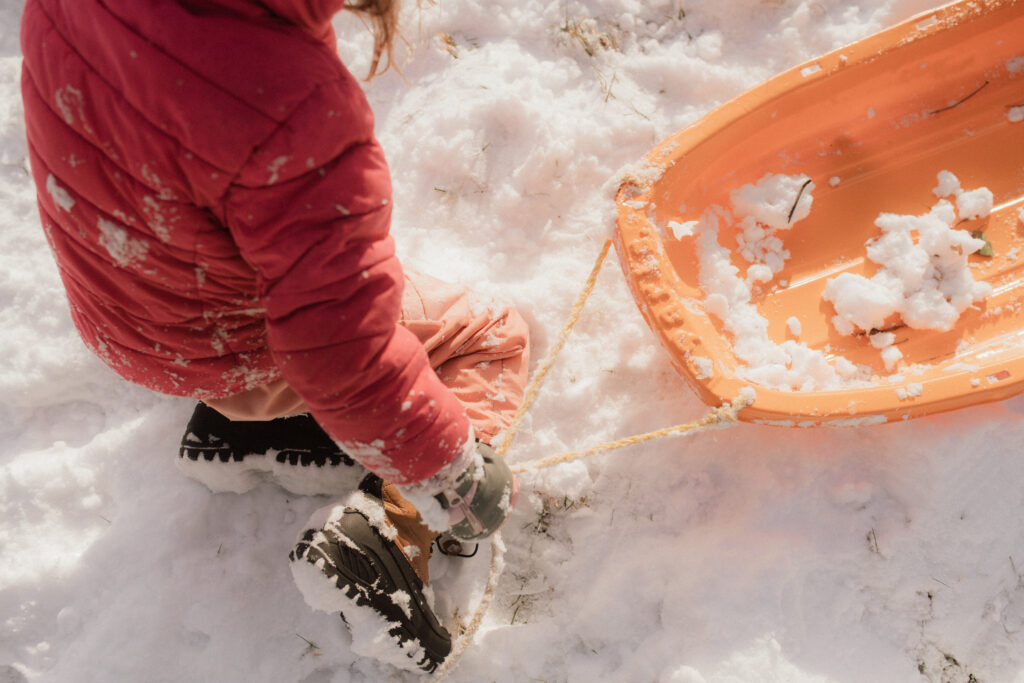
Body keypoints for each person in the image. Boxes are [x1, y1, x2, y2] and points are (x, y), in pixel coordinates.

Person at [20, 0, 530, 673]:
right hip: (235, 348)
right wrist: (451, 473)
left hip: (126, 310)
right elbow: (348, 353)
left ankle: (261, 424)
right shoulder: (292, 108)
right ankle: (394, 539)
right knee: (491, 333)